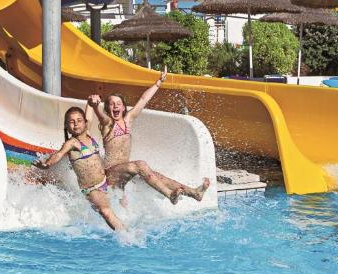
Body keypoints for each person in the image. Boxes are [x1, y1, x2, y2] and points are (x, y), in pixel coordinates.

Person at [86, 66, 211, 205]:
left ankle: (194, 193)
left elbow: (144, 99)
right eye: (111, 104)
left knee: (156, 176)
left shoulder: (128, 120)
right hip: (111, 172)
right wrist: (95, 104)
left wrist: (158, 83)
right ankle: (169, 195)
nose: (115, 106)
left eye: (118, 104)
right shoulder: (108, 123)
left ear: (123, 108)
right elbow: (100, 114)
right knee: (141, 165)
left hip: (126, 171)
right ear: (107, 108)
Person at [33, 107, 125, 231]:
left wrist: (91, 103)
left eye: (79, 120)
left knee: (138, 167)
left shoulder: (89, 136)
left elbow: (89, 115)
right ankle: (127, 236)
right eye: (71, 122)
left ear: (85, 123)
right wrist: (47, 164)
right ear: (66, 125)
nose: (76, 123)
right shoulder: (71, 143)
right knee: (106, 211)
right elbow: (59, 154)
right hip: (92, 189)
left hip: (106, 181)